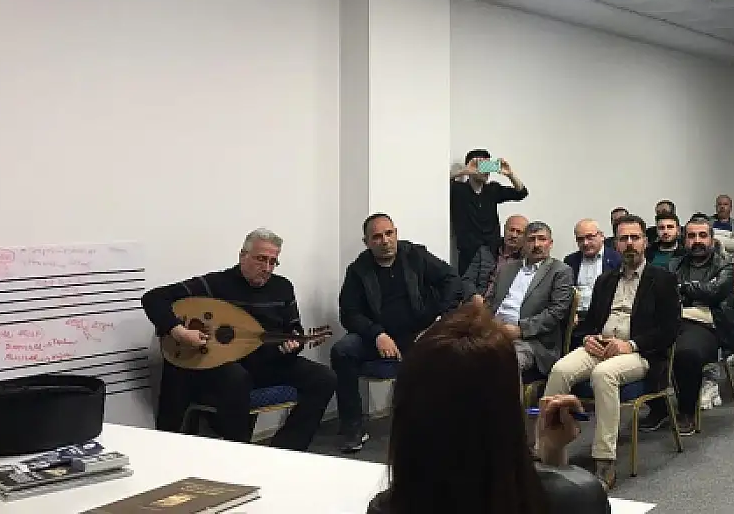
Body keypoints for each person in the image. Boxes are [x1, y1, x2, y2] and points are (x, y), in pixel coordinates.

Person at [367, 301, 608, 514]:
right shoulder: (579, 498)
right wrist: (553, 463)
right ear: (509, 412)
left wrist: (550, 456)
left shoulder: (387, 507)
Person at [142, 228, 336, 451]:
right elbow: (153, 298)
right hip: (222, 365)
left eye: (273, 262)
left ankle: (286, 450)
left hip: (267, 361)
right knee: (238, 378)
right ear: (243, 255)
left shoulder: (282, 287)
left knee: (325, 378)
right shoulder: (217, 284)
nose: (267, 268)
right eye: (261, 259)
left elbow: (293, 328)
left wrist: (292, 345)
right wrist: (179, 332)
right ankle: (240, 451)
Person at [541, 215, 680, 490]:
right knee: (560, 370)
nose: (629, 244)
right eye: (623, 238)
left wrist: (632, 344)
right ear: (615, 244)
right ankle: (545, 448)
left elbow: (669, 330)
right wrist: (589, 337)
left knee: (603, 375)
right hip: (602, 345)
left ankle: (604, 460)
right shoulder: (605, 280)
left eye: (634, 238)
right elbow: (591, 322)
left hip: (640, 353)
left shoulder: (663, 280)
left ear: (645, 242)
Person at [333, 213, 463, 452]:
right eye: (377, 237)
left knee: (448, 351)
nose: (385, 241)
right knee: (342, 350)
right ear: (366, 242)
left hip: (420, 333)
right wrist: (377, 334)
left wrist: (439, 319)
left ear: (396, 233)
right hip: (379, 338)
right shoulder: (358, 270)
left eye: (389, 233)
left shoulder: (416, 256)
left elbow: (452, 279)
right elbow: (349, 313)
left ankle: (439, 425)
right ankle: (352, 427)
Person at [644, 217, 734, 435]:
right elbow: (666, 294)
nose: (697, 241)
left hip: (710, 326)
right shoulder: (674, 264)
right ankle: (659, 407)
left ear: (711, 239)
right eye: (692, 236)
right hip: (676, 320)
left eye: (702, 236)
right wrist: (695, 290)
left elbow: (714, 293)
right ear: (684, 239)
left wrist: (683, 287)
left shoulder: (725, 265)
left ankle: (687, 411)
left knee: (686, 353)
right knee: (645, 345)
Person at [487, 221, 574, 380]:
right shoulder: (508, 269)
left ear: (550, 243)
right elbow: (490, 302)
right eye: (531, 239)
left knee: (504, 363)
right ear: (523, 243)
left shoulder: (560, 271)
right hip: (494, 332)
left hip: (532, 341)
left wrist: (520, 329)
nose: (536, 244)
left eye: (542, 239)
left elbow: (556, 313)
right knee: (459, 354)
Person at [450, 148, 528, 277]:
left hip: (492, 252)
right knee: (466, 287)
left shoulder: (492, 189)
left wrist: (510, 174)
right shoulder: (458, 190)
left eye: (488, 166)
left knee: (491, 285)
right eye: (482, 166)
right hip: (468, 254)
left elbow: (521, 193)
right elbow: (438, 185)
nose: (486, 171)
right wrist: (464, 171)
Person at [564, 219, 620, 320]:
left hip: (605, 317)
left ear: (601, 236)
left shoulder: (616, 259)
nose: (585, 243)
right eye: (580, 239)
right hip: (576, 317)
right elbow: (566, 292)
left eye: (590, 237)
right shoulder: (570, 261)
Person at [463, 214, 528, 300]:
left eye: (519, 232)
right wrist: (474, 295)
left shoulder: (526, 259)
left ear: (525, 236)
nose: (514, 235)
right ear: (504, 230)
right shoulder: (485, 251)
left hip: (505, 303)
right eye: (511, 230)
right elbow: (467, 280)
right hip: (479, 299)